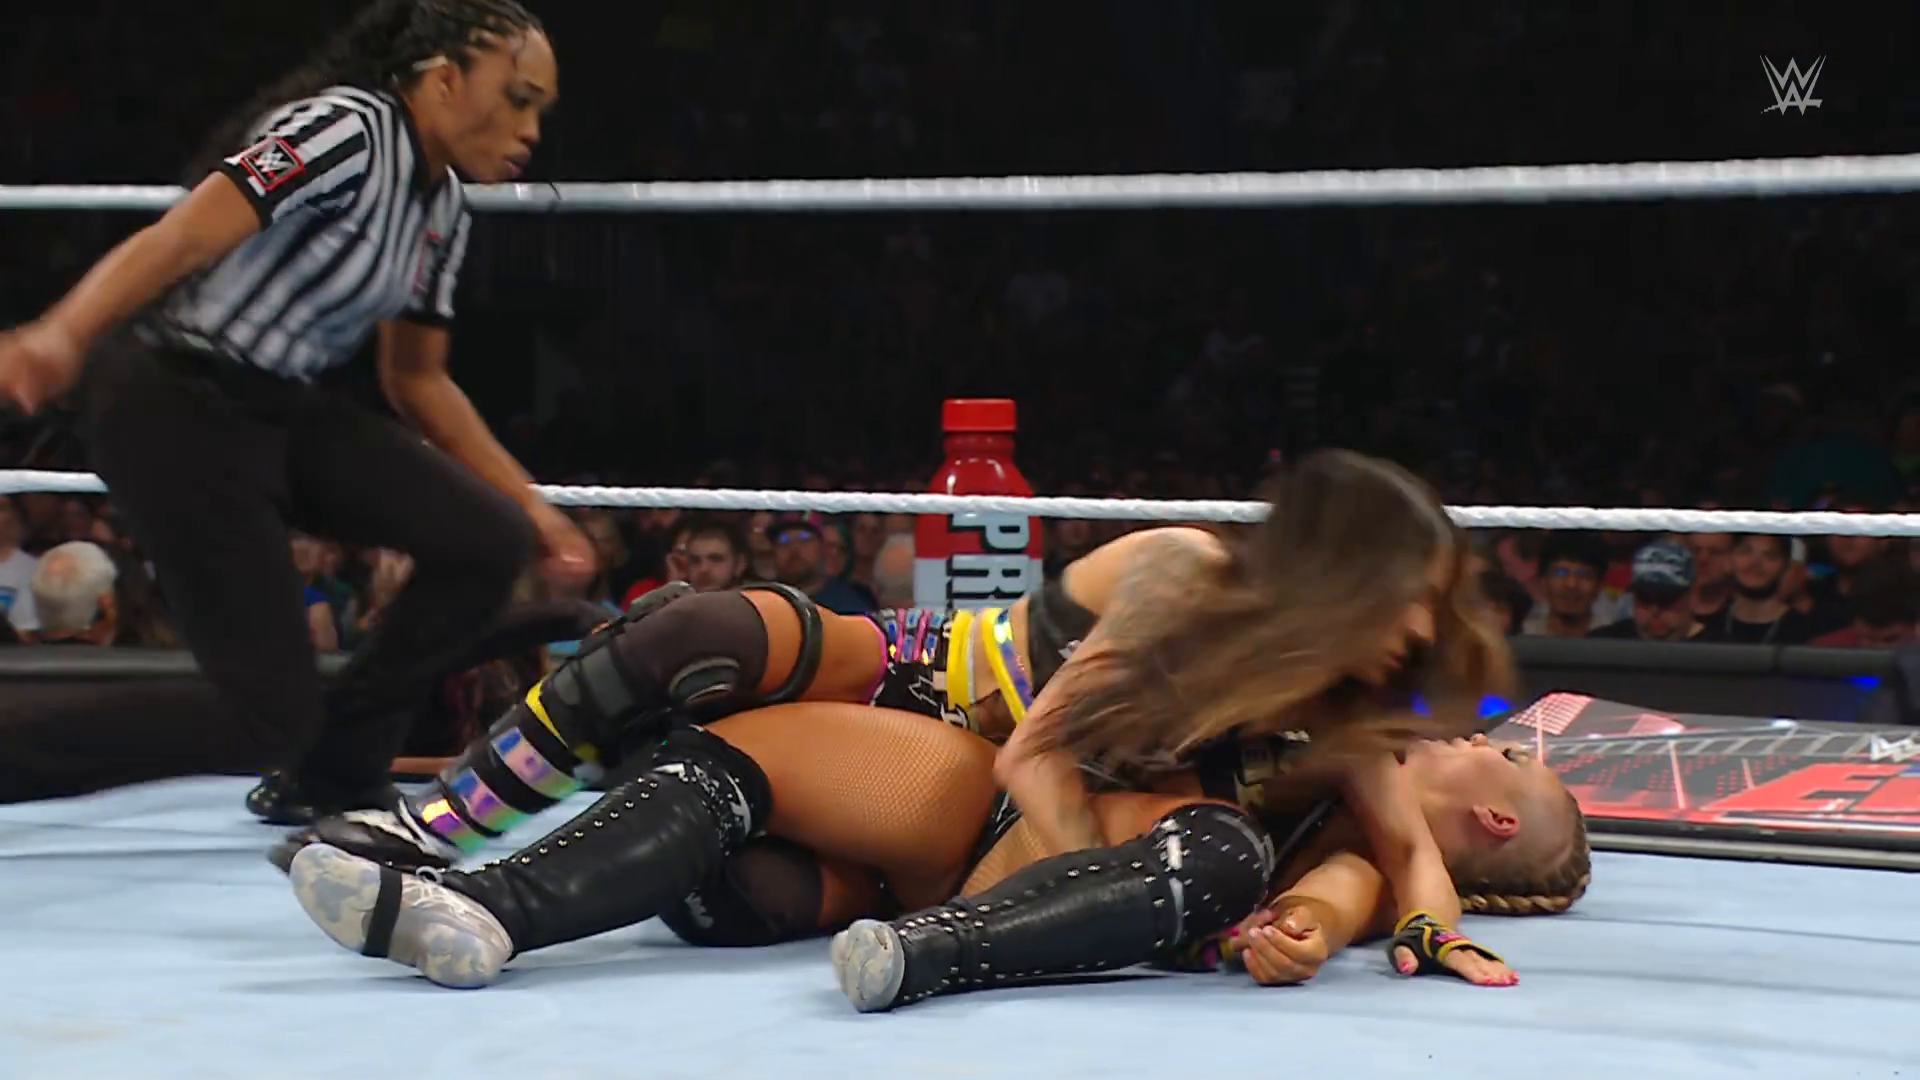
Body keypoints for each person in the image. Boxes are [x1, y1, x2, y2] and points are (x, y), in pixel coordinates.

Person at [285, 450, 1519, 977]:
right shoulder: (1189, 576)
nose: (1421, 628)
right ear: (1342, 572)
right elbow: (1040, 755)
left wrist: (1433, 941)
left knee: (748, 880)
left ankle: (511, 892)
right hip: (935, 680)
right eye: (1409, 595)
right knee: (691, 633)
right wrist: (1098, 884)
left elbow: (1408, 851)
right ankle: (431, 833)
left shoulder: (1342, 709)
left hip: (964, 784)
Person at [0, 0, 592, 816]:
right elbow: (183, 235)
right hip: (173, 400)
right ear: (444, 81)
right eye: (517, 98)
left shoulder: (441, 207)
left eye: (540, 110)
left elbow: (417, 379)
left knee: (487, 538)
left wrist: (534, 509)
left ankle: (337, 772)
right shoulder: (343, 129)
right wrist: (62, 333)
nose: (530, 129)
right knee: (265, 718)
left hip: (278, 407)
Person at [286, 703, 1587, 994]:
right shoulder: (1352, 723)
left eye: (1516, 762)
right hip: (984, 806)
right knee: (738, 762)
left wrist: (1304, 936)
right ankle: (484, 908)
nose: (1496, 738)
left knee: (1228, 856)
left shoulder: (1363, 853)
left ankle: (927, 954)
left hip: (1019, 893)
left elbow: (1352, 897)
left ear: (1495, 821)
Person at [1587, 540, 1704, 641]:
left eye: (1666, 599)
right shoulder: (1604, 643)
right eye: (1645, 598)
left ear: (1693, 597)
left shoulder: (1713, 648)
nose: (1655, 610)